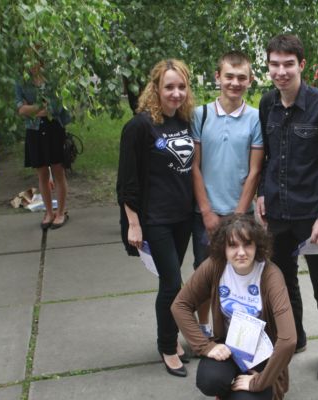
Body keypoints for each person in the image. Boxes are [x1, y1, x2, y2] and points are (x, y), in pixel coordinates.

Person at [256, 34, 318, 381]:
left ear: (302, 65)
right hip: (277, 214)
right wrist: (261, 193)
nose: (281, 72)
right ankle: (295, 338)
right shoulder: (267, 103)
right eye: (274, 64)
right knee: (283, 282)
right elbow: (266, 157)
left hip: (312, 219)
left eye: (288, 64)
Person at [116, 59, 195, 377]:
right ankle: (167, 346)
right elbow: (126, 181)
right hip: (155, 219)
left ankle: (171, 337)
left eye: (181, 87)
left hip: (183, 217)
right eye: (169, 87)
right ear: (156, 88)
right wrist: (134, 223)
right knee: (172, 283)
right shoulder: (139, 126)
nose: (176, 93)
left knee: (171, 281)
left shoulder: (185, 121)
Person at [172, 214, 296, 400]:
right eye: (233, 245)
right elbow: (180, 305)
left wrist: (259, 381)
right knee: (209, 381)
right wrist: (205, 346)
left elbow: (288, 339)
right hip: (229, 346)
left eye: (247, 244)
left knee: (244, 398)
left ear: (257, 246)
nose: (241, 252)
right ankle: (230, 388)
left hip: (262, 355)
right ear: (223, 247)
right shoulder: (215, 266)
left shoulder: (271, 275)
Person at [191, 51, 264, 337]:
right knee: (205, 273)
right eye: (229, 76)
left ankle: (238, 331)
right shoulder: (200, 115)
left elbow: (254, 171)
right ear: (218, 77)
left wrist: (237, 217)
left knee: (240, 273)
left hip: (240, 213)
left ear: (250, 80)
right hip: (206, 214)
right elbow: (194, 167)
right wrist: (207, 212)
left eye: (241, 78)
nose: (235, 83)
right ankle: (204, 327)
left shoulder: (255, 118)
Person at [16, 60, 71, 230]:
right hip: (34, 130)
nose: (31, 64)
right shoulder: (21, 81)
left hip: (54, 128)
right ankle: (48, 212)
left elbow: (56, 109)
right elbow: (20, 109)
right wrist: (40, 108)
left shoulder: (53, 78)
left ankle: (60, 213)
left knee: (58, 171)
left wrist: (31, 109)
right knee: (42, 174)